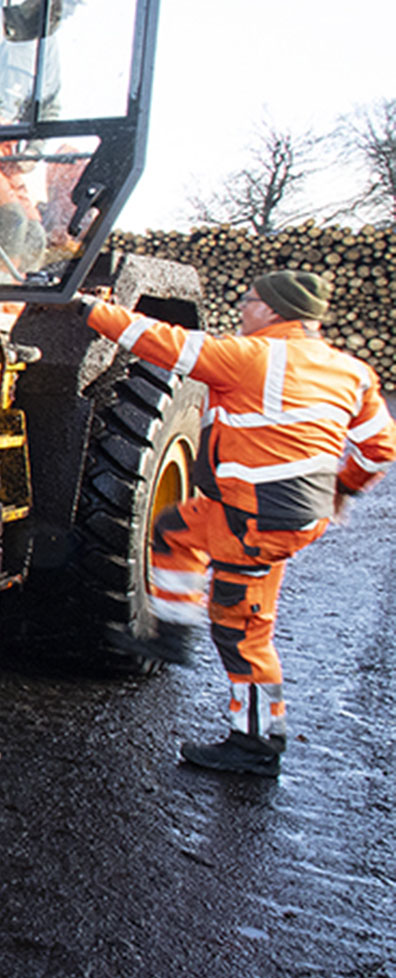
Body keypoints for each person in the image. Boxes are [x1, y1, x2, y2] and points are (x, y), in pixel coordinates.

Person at [76, 270, 396, 776]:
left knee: (242, 630)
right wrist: (341, 490)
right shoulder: (351, 371)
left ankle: (256, 745)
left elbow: (161, 342)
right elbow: (381, 449)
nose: (244, 309)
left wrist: (89, 309)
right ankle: (172, 632)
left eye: (250, 301)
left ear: (272, 310)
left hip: (255, 518)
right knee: (174, 529)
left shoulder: (251, 358)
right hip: (274, 512)